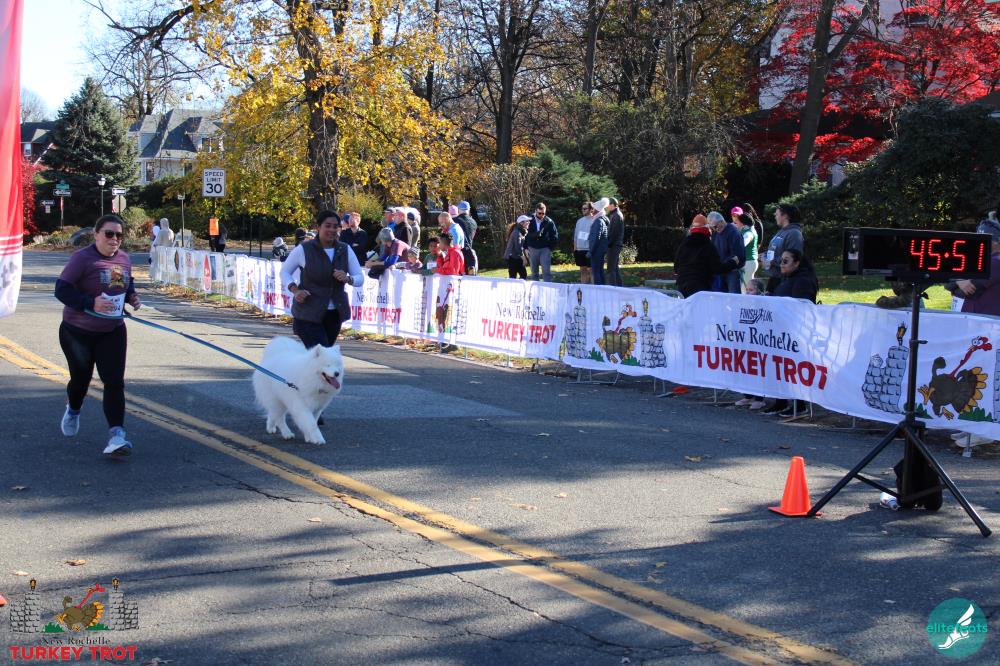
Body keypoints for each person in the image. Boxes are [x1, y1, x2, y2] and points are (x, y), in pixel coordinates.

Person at [54, 214, 141, 456]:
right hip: (77, 331)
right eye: (109, 233)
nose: (115, 239)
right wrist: (90, 303)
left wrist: (131, 297)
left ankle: (117, 435)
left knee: (114, 382)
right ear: (96, 234)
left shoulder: (124, 259)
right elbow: (61, 290)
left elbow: (125, 283)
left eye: (119, 235)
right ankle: (73, 408)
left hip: (112, 330)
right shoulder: (82, 258)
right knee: (81, 380)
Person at [280, 210, 364, 350]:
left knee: (322, 355)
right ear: (318, 227)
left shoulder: (345, 249)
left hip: (334, 314)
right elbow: (284, 272)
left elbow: (360, 278)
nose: (332, 230)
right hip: (308, 312)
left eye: (335, 226)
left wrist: (348, 278)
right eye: (328, 226)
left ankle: (300, 364)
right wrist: (295, 290)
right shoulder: (304, 249)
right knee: (321, 353)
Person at [673, 214, 740, 297]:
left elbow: (676, 267)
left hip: (682, 286)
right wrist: (733, 262)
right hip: (700, 287)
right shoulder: (708, 246)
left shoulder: (684, 244)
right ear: (707, 229)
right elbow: (718, 269)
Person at [948, 216, 1000, 316]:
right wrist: (959, 281)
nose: (980, 242)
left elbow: (966, 291)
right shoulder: (979, 259)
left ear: (997, 240)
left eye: (985, 239)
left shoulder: (996, 261)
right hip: (974, 318)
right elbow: (947, 281)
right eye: (978, 238)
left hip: (986, 320)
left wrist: (955, 280)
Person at [734, 277, 768, 410]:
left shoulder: (764, 305)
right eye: (747, 290)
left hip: (759, 343)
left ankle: (760, 398)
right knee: (746, 368)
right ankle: (748, 395)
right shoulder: (744, 304)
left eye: (751, 290)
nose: (748, 293)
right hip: (746, 342)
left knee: (759, 369)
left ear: (759, 291)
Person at [762, 203, 804, 293]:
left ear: (785, 216)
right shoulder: (781, 231)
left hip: (784, 280)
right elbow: (775, 250)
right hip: (774, 277)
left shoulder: (794, 234)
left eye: (777, 214)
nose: (775, 216)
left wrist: (771, 261)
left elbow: (793, 258)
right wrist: (764, 255)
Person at [708, 211, 745, 293]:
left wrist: (724, 265)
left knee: (733, 296)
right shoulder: (715, 234)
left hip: (732, 272)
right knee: (720, 297)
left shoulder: (734, 232)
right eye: (712, 227)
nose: (714, 229)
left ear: (721, 221)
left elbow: (738, 256)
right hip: (720, 271)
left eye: (715, 226)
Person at [525, 202, 558, 282]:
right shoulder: (529, 220)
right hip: (532, 248)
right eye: (539, 213)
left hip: (545, 249)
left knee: (546, 271)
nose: (541, 215)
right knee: (534, 272)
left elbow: (554, 235)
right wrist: (525, 247)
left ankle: (547, 287)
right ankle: (535, 288)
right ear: (535, 211)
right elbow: (524, 234)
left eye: (543, 213)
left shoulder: (549, 221)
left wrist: (549, 248)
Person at [734, 210, 758, 292]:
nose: (736, 224)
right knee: (747, 288)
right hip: (749, 262)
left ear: (742, 223)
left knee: (746, 289)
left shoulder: (749, 233)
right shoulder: (748, 230)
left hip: (749, 262)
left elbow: (743, 243)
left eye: (737, 222)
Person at [588, 198, 611, 285]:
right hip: (600, 250)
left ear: (597, 210)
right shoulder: (601, 220)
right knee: (599, 271)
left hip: (597, 251)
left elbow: (595, 238)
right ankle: (602, 289)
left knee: (596, 271)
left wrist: (590, 251)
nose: (592, 210)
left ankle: (599, 289)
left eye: (593, 208)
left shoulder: (598, 221)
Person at [454, 201, 479, 275]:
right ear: (469, 210)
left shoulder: (455, 221)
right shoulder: (474, 222)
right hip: (469, 252)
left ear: (458, 209)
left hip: (458, 252)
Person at [504, 215, 530, 279]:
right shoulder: (517, 232)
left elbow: (522, 245)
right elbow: (518, 247)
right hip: (512, 258)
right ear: (521, 223)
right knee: (514, 277)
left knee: (523, 274)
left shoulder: (521, 231)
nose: (529, 222)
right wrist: (524, 258)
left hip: (516, 256)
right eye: (527, 221)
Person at [606, 198, 625, 286]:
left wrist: (608, 244)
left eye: (608, 205)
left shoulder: (616, 215)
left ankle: (613, 288)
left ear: (612, 205)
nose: (607, 207)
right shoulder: (615, 214)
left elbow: (614, 232)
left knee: (611, 268)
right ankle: (620, 287)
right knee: (614, 267)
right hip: (615, 244)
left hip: (614, 245)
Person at [573, 203, 593, 284]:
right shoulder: (579, 221)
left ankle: (593, 289)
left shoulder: (594, 220)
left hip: (589, 249)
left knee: (591, 271)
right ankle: (584, 288)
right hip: (579, 249)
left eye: (585, 209)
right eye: (582, 209)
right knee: (583, 271)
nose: (583, 210)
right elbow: (575, 236)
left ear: (591, 209)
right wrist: (575, 249)